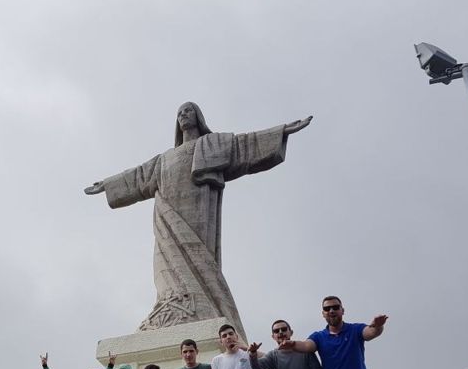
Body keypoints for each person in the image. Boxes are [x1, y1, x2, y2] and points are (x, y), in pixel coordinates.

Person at [85, 102, 311, 333]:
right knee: (166, 263)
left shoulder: (212, 144)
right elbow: (138, 176)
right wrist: (107, 184)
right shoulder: (164, 159)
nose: (183, 115)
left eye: (188, 111)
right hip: (166, 217)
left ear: (198, 117)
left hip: (198, 212)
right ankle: (169, 304)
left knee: (199, 256)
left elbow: (243, 146)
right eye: (179, 113)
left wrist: (280, 132)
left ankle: (200, 306)